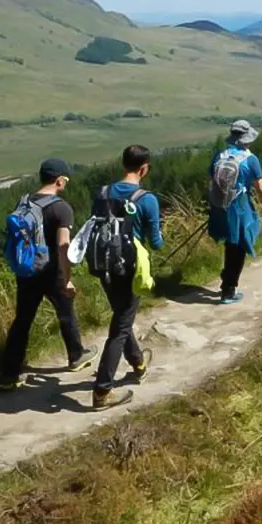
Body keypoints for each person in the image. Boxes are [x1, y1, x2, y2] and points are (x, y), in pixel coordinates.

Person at [0, 158, 96, 390]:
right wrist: (68, 278)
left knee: (22, 320)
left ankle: (9, 373)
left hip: (26, 269)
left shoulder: (24, 201)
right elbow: (63, 245)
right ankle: (76, 356)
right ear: (60, 181)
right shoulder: (61, 207)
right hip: (50, 271)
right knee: (65, 312)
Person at [90, 144, 164, 411]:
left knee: (122, 316)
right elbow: (156, 243)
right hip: (129, 268)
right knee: (120, 327)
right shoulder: (146, 199)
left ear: (124, 165)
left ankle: (138, 365)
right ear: (144, 168)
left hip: (103, 266)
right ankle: (102, 391)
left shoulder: (102, 193)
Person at [207, 120, 262, 304]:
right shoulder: (250, 159)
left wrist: (213, 205)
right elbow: (260, 188)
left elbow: (211, 181)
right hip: (239, 205)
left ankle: (227, 279)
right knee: (240, 244)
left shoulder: (220, 156)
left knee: (231, 242)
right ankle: (228, 289)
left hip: (220, 206)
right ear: (247, 139)